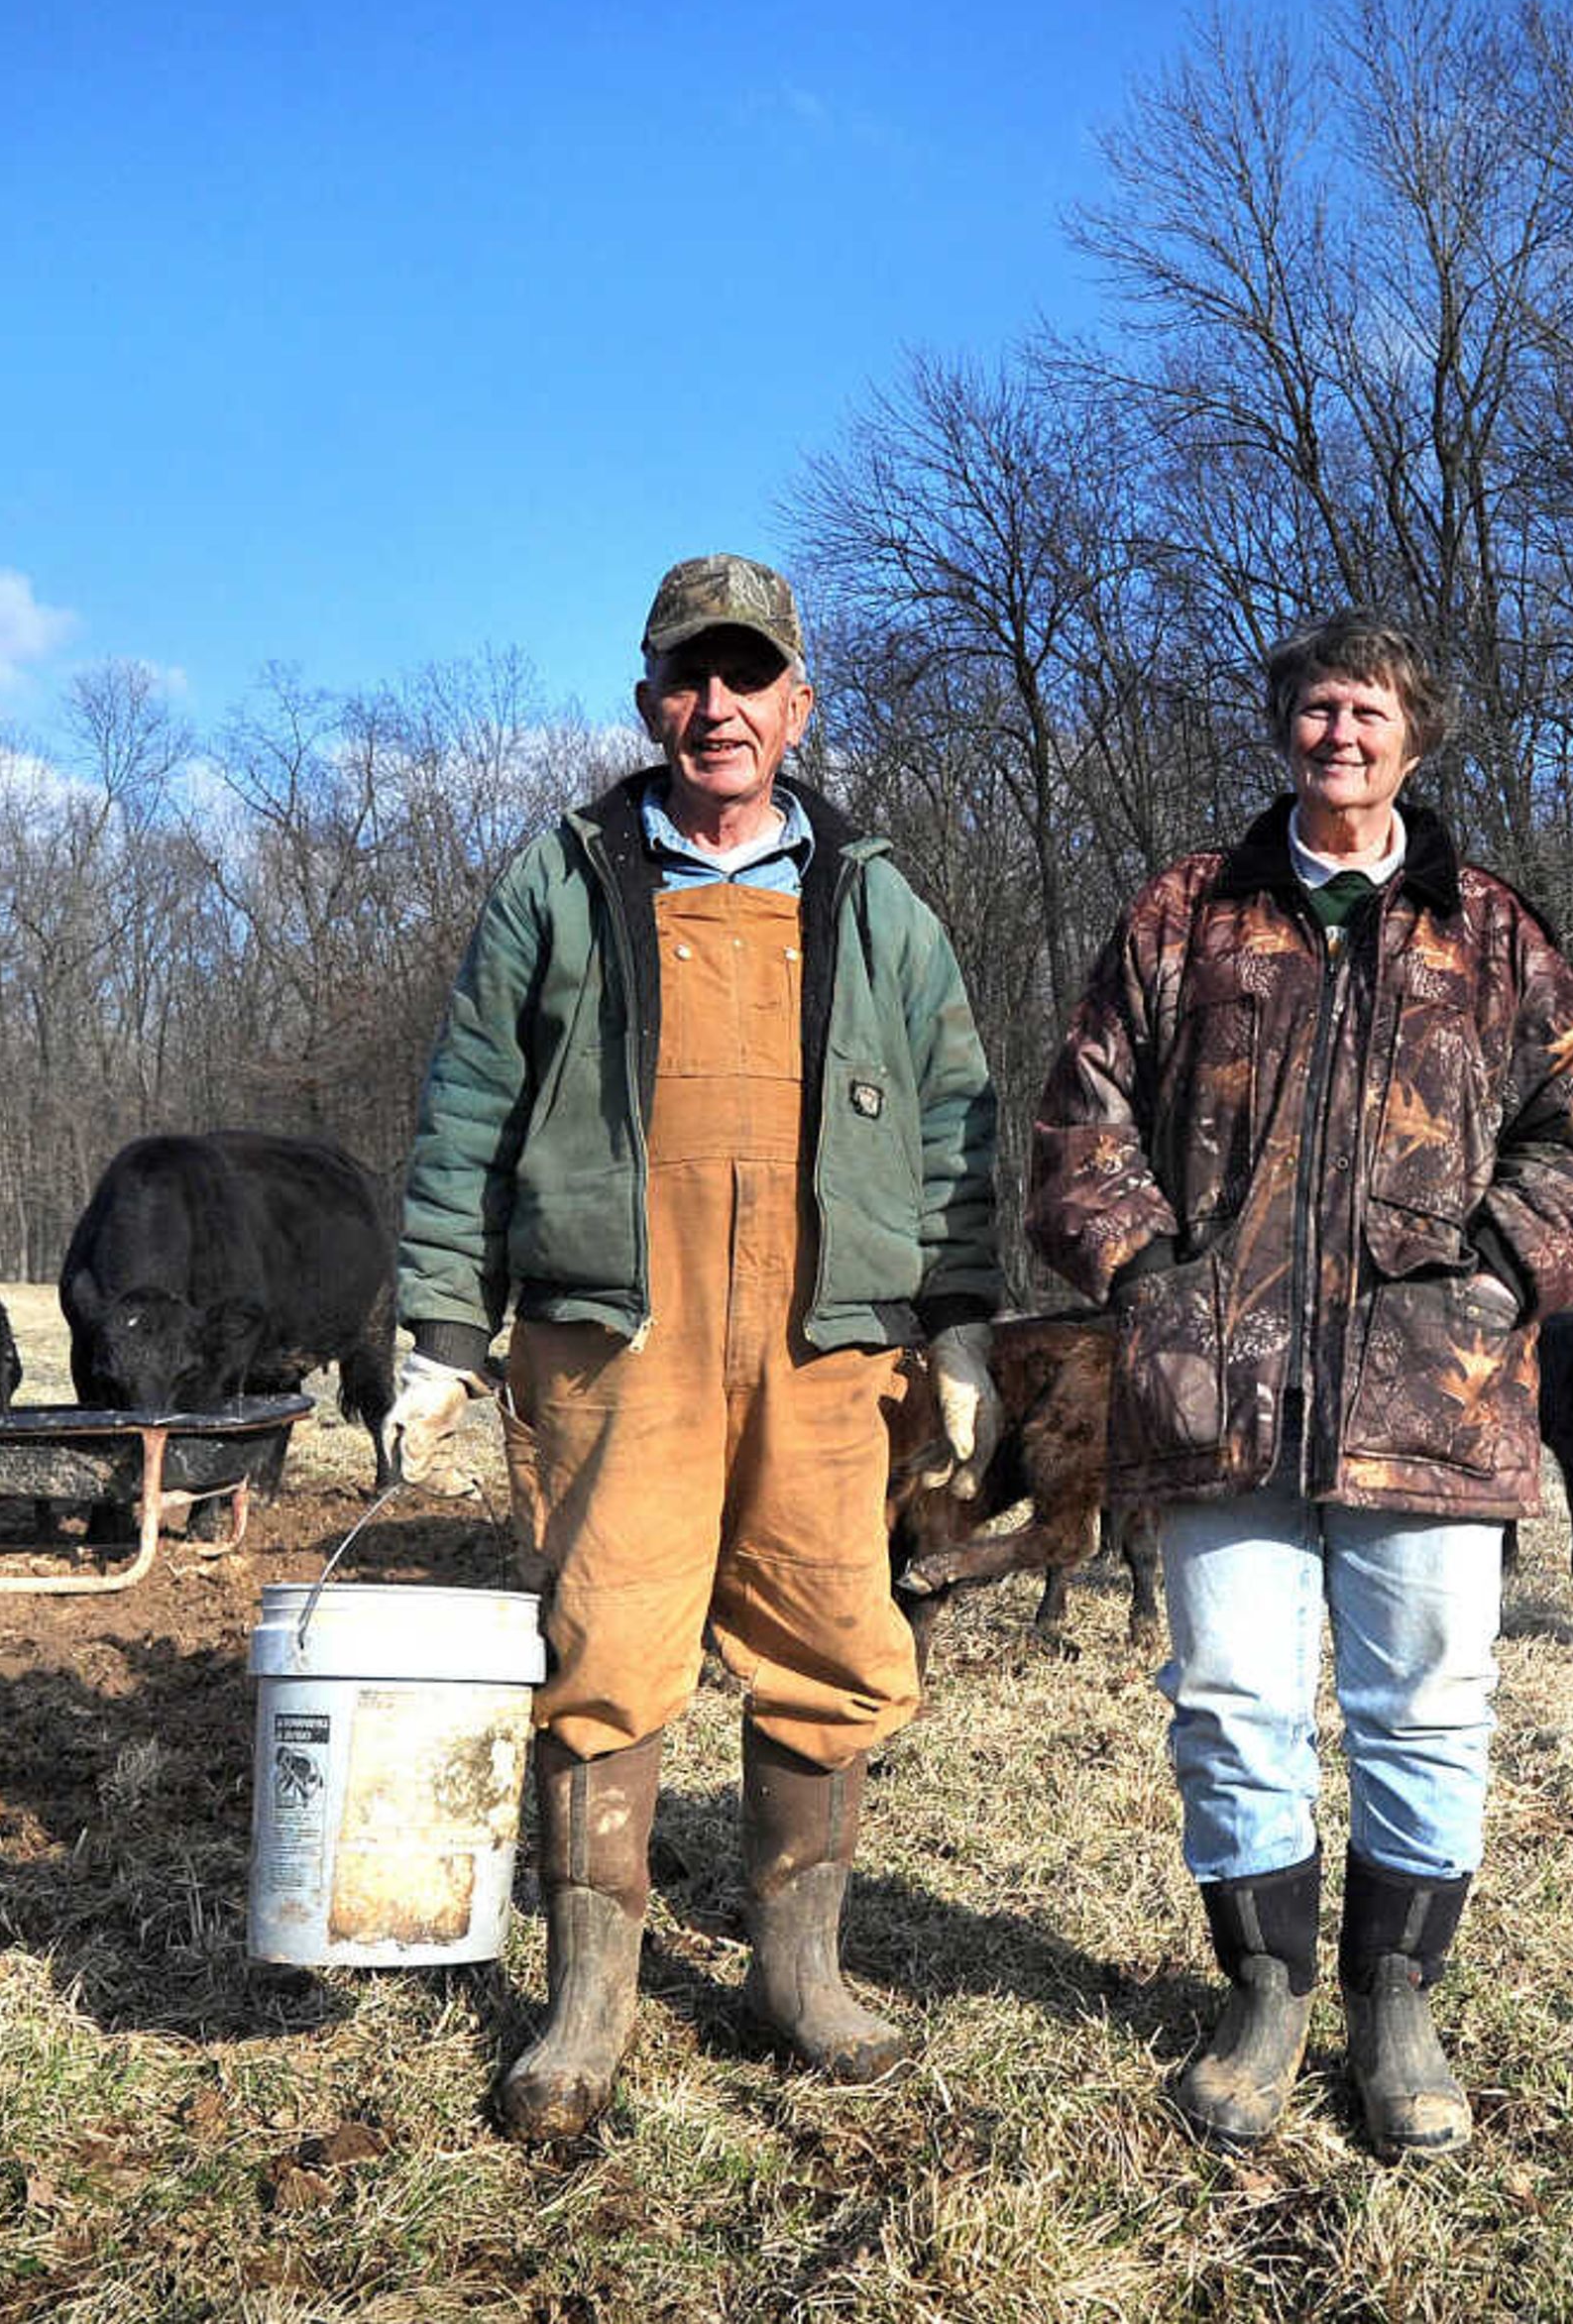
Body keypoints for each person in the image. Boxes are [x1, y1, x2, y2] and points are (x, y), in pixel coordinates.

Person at [385, 551, 1002, 2144]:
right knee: (607, 1639)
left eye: (747, 677)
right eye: (687, 676)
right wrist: (442, 1331)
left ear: (799, 703)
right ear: (649, 697)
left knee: (830, 1631)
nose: (714, 706)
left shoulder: (874, 896)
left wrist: (961, 1323)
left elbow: (954, 1124)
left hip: (822, 1338)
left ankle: (796, 1974)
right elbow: (469, 1112)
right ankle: (591, 1996)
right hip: (618, 1333)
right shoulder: (564, 883)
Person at [1027, 609, 1573, 2160]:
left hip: (1437, 1394)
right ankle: (1269, 1989)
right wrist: (1150, 1280)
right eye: (1314, 710)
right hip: (1214, 1392)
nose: (1339, 736)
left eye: (1367, 711)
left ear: (1413, 737)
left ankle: (1399, 1998)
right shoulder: (1188, 915)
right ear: (1280, 728)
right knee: (1230, 1700)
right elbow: (1079, 1124)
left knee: (1426, 1708)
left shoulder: (1488, 932)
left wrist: (1498, 1270)